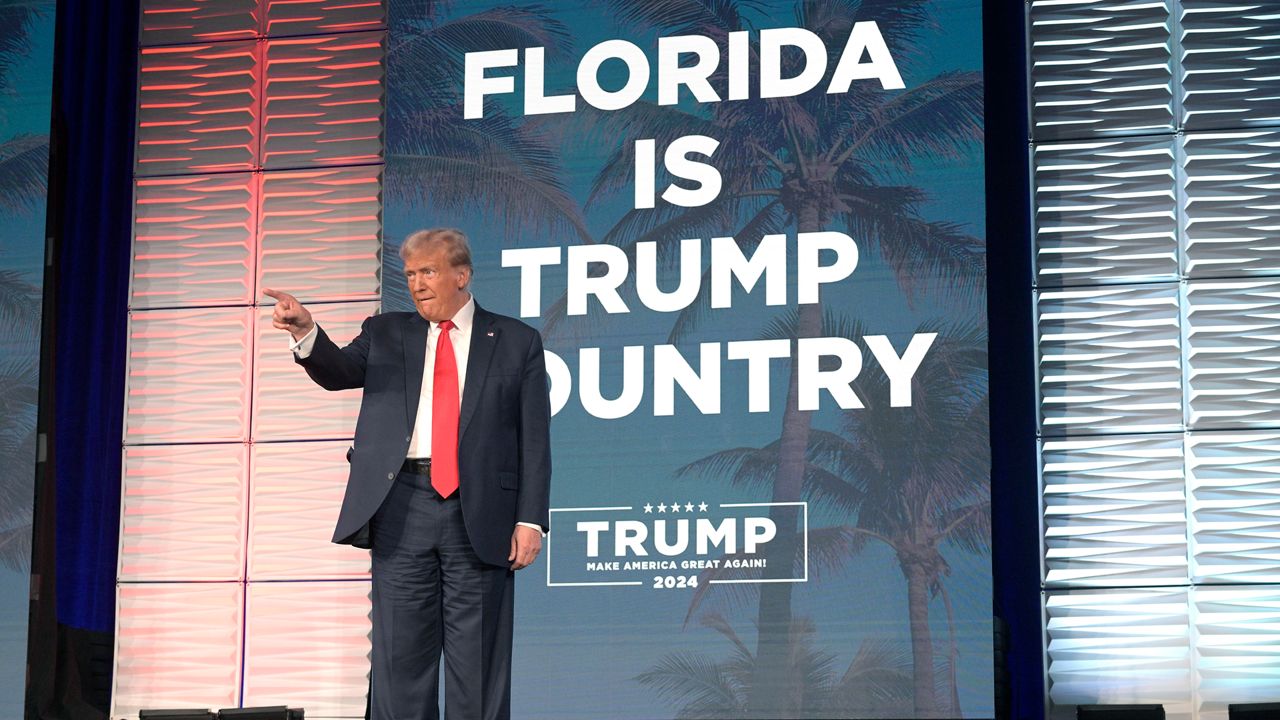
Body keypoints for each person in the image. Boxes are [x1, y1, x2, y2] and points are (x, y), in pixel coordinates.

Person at [263, 227, 551, 720]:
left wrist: (531, 519)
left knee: (478, 663)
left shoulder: (515, 341)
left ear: (461, 275)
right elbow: (337, 372)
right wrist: (305, 330)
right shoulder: (387, 331)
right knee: (400, 659)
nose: (417, 283)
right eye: (411, 274)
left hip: (480, 511)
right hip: (401, 507)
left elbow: (534, 438)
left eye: (429, 272)